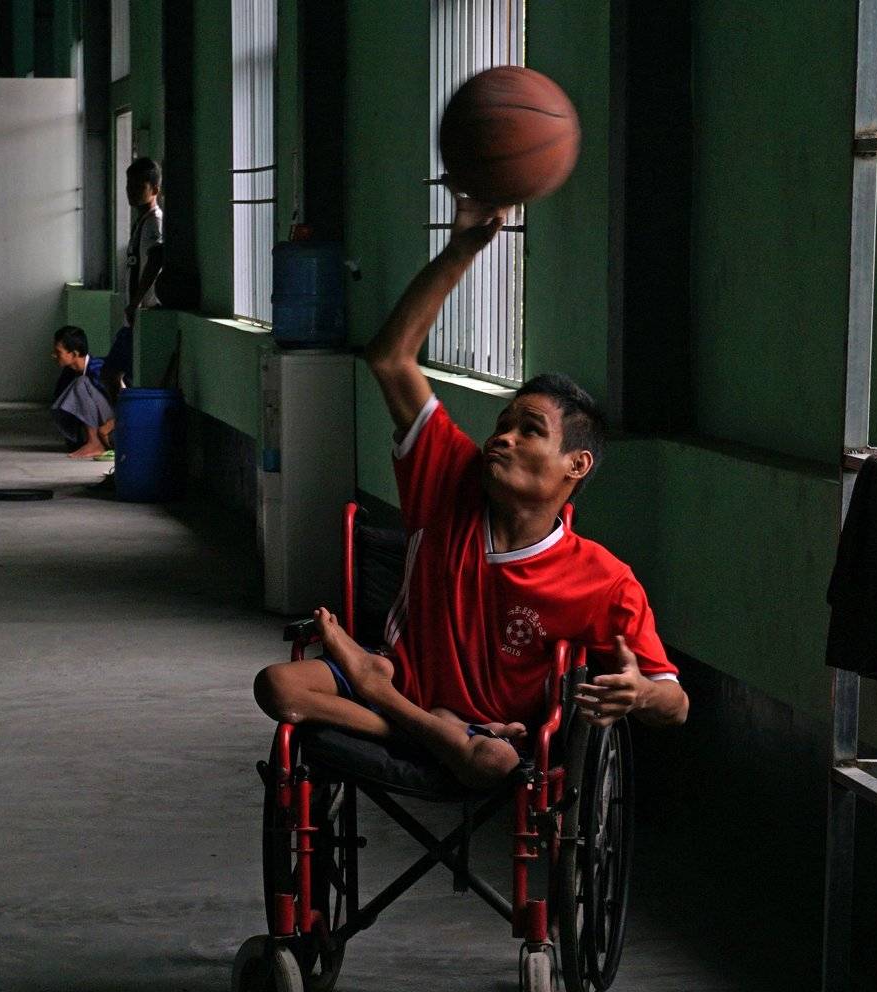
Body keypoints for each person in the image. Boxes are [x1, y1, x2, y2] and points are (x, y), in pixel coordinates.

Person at [254, 194, 689, 788]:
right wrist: (460, 250)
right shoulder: (452, 476)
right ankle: (421, 724)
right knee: (277, 685)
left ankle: (404, 714)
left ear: (576, 464)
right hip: (404, 683)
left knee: (495, 762)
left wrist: (640, 693)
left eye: (529, 430)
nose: (502, 438)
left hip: (492, 734)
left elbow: (675, 702)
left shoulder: (604, 581)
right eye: (503, 424)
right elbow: (390, 358)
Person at [102, 157, 165, 401]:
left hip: (143, 312)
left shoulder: (154, 222)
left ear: (155, 190)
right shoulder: (142, 222)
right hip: (133, 315)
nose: (131, 191)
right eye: (129, 185)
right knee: (112, 373)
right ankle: (123, 416)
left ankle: (126, 417)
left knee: (116, 373)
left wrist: (136, 302)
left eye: (139, 186)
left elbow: (155, 261)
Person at [50, 325, 114, 459]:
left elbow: (124, 402)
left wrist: (109, 426)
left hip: (112, 428)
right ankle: (89, 441)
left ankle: (94, 443)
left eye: (58, 352)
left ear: (74, 354)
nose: (54, 355)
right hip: (96, 429)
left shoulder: (100, 369)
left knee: (81, 383)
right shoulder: (67, 375)